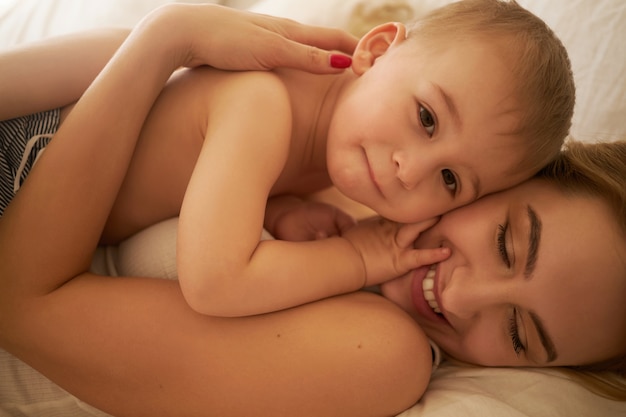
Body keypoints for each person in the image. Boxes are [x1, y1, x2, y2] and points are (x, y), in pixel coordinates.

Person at [0, 5, 623, 417]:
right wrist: (168, 37)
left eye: (519, 334)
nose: (460, 297)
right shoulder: (295, 132)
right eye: (507, 243)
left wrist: (167, 35)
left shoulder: (379, 342)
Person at [42, 0, 577, 318]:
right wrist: (359, 259)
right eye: (427, 118)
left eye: (451, 179)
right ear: (376, 51)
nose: (408, 171)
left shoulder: (317, 157)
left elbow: (191, 166)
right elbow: (214, 283)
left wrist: (279, 210)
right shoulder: (263, 102)